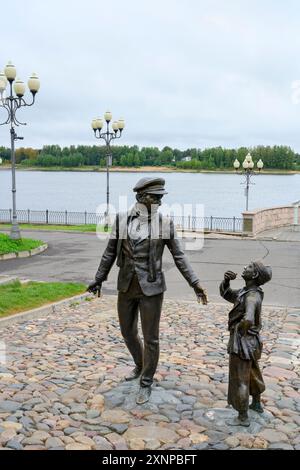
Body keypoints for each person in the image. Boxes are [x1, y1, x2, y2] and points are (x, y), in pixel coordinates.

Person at [88, 177, 208, 404]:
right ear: (141, 197)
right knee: (128, 333)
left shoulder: (165, 224)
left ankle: (146, 382)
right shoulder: (122, 220)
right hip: (126, 285)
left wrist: (195, 283)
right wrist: (99, 279)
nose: (160, 202)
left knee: (151, 338)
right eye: (156, 197)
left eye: (161, 197)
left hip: (152, 288)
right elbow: (109, 253)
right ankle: (140, 365)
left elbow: (179, 256)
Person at [220, 261, 272, 426]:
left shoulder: (251, 296)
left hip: (243, 343)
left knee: (240, 379)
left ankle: (242, 416)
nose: (244, 267)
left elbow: (248, 319)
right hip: (251, 343)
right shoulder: (247, 291)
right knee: (252, 373)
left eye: (249, 267)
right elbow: (228, 294)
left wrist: (240, 331)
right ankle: (256, 404)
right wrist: (226, 282)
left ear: (254, 275)